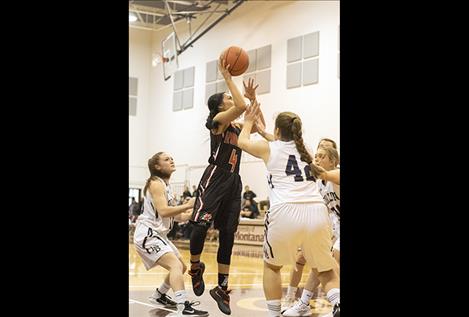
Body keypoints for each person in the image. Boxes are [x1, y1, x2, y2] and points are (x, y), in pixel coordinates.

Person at [237, 104, 340, 317]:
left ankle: (274, 314)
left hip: (285, 211)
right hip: (316, 212)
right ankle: (338, 302)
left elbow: (242, 142)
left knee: (272, 267)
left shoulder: (269, 148)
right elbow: (280, 141)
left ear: (277, 132)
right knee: (325, 268)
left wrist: (248, 122)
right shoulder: (308, 152)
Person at [188, 57, 265, 315]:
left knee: (228, 235)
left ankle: (222, 287)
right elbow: (240, 106)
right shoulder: (218, 121)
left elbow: (259, 125)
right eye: (228, 98)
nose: (233, 101)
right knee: (199, 226)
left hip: (234, 181)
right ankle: (196, 266)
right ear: (220, 105)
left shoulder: (237, 126)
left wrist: (253, 98)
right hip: (216, 177)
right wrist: (227, 77)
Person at [133, 152, 208, 317]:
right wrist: (187, 204)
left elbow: (178, 216)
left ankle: (159, 296)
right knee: (175, 266)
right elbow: (164, 211)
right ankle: (183, 307)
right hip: (148, 234)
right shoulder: (155, 183)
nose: (171, 160)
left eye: (171, 158)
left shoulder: (166, 186)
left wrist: (196, 213)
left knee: (181, 267)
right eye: (166, 159)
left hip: (158, 234)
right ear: (157, 167)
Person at [283, 146, 340, 317]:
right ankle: (302, 303)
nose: (317, 159)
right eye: (315, 156)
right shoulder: (318, 185)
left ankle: (332, 304)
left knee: (329, 261)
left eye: (321, 157)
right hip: (336, 228)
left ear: (333, 161)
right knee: (320, 262)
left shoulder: (336, 174)